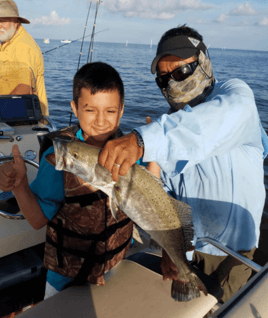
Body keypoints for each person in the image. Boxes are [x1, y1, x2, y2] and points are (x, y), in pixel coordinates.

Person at [98, 25, 268, 302]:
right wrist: (172, 249)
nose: (172, 83)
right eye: (163, 79)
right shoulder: (167, 129)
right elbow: (169, 198)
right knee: (181, 306)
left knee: (221, 307)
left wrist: (140, 140)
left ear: (203, 63)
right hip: (188, 247)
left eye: (180, 71)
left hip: (235, 253)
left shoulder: (236, 97)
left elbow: (207, 126)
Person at [0, 62, 133, 300]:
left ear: (122, 110)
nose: (101, 121)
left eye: (110, 111)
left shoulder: (130, 152)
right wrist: (19, 184)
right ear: (75, 107)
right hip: (65, 279)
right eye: (90, 110)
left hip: (116, 267)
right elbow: (37, 220)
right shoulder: (58, 157)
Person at [0, 0, 49, 116]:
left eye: (4, 20)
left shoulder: (23, 47)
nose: (0, 25)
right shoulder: (8, 42)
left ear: (16, 22)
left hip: (21, 121)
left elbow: (24, 91)